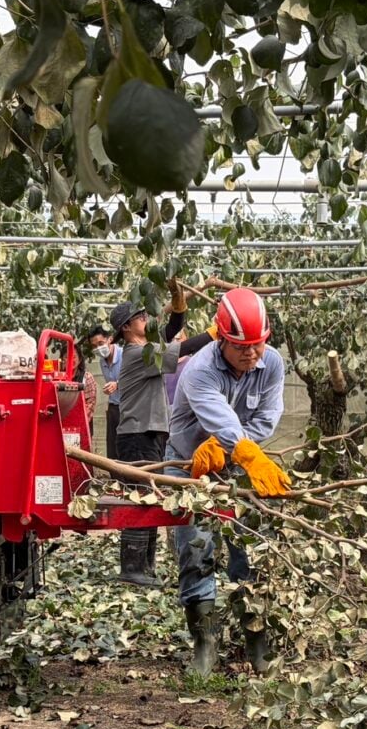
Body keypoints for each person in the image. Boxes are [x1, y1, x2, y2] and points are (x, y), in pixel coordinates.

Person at [164, 288, 291, 676]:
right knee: (196, 548)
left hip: (237, 469)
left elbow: (267, 418)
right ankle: (205, 646)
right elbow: (218, 414)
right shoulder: (199, 368)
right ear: (221, 338)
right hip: (190, 465)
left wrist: (230, 448)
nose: (250, 353)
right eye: (240, 346)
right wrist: (232, 443)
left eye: (256, 344)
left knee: (248, 548)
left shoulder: (271, 365)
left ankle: (257, 645)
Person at [110, 281, 215, 587]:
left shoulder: (144, 349)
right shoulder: (135, 353)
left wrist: (179, 303)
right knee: (140, 500)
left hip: (149, 432)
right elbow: (180, 347)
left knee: (150, 499)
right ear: (127, 327)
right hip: (137, 435)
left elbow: (171, 331)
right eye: (142, 317)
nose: (147, 320)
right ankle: (132, 569)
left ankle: (144, 568)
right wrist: (212, 334)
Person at [87, 325, 121, 458]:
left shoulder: (125, 355)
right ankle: (116, 477)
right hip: (113, 407)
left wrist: (117, 384)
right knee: (112, 448)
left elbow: (135, 378)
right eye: (94, 346)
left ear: (110, 339)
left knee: (125, 446)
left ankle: (128, 478)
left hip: (128, 407)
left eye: (100, 343)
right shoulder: (103, 362)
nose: (97, 348)